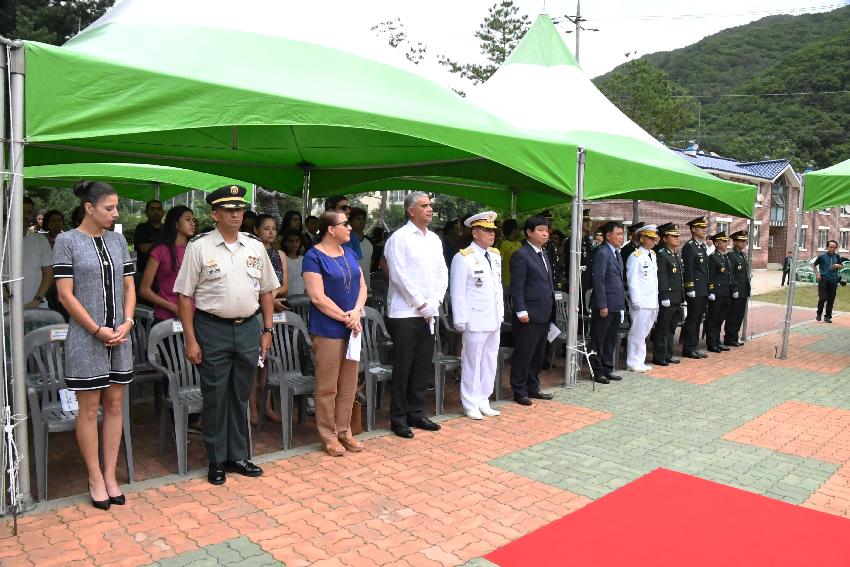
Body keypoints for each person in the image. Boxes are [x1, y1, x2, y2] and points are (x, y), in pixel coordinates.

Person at [173, 185, 279, 486]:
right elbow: (184, 298)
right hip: (212, 328)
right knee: (216, 395)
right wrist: (190, 339)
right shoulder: (199, 247)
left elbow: (267, 291)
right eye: (229, 209)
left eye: (240, 209)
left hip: (248, 327)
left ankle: (239, 455)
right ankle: (217, 459)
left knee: (241, 394)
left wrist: (267, 329)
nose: (236, 214)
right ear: (214, 214)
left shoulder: (255, 246)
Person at [53, 181, 136, 510]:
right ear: (89, 207)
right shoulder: (66, 241)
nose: (116, 213)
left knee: (115, 406)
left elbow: (130, 286)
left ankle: (111, 473)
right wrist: (96, 329)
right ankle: (94, 477)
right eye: (109, 208)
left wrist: (127, 322)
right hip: (87, 339)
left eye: (116, 207)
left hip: (122, 336)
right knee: (88, 410)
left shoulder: (118, 240)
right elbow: (64, 294)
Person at [302, 211, 367, 456]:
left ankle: (344, 431)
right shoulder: (313, 256)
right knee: (327, 386)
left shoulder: (349, 253)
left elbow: (362, 286)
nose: (350, 228)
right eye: (345, 224)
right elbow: (317, 297)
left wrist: (357, 312)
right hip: (328, 329)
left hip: (352, 328)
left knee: (348, 384)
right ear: (331, 229)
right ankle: (328, 435)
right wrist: (346, 317)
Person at [384, 191, 448, 439]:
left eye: (430, 205)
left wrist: (435, 302)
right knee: (404, 365)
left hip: (429, 311)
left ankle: (416, 411)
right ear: (411, 211)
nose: (430, 209)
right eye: (424, 205)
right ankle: (398, 418)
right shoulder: (399, 238)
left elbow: (442, 272)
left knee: (422, 364)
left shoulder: (434, 239)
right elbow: (399, 276)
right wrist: (421, 304)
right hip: (405, 312)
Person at [450, 212, 504, 420]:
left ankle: (484, 399)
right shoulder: (463, 258)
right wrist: (460, 319)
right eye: (487, 231)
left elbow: (497, 287)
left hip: (493, 316)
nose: (492, 235)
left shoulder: (495, 255)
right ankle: (470, 403)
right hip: (475, 318)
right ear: (475, 232)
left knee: (490, 361)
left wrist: (500, 313)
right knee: (472, 362)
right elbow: (458, 291)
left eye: (493, 231)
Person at [509, 215, 557, 404]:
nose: (545, 233)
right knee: (524, 353)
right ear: (529, 232)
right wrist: (520, 309)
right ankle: (519, 390)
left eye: (546, 230)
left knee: (538, 354)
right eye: (540, 230)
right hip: (528, 313)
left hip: (544, 312)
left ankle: (533, 386)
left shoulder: (544, 254)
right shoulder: (521, 254)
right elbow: (517, 286)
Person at [249, 214, 289, 424]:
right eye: (266, 228)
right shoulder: (251, 253)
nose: (271, 232)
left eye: (273, 228)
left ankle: (267, 405)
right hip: (253, 311)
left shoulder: (279, 254)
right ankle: (252, 406)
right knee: (255, 362)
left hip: (272, 311)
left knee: (269, 362)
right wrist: (267, 299)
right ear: (256, 230)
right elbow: (249, 285)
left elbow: (284, 286)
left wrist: (269, 299)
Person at [139, 206, 197, 324]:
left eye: (193, 220)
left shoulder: (195, 249)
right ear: (176, 224)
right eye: (187, 219)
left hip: (194, 316)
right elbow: (144, 290)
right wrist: (172, 307)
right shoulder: (161, 250)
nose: (192, 223)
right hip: (166, 319)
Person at [589, 221, 626, 384]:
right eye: (618, 234)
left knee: (611, 338)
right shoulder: (602, 252)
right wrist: (602, 304)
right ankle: (597, 371)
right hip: (605, 305)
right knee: (599, 338)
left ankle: (607, 368)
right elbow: (599, 281)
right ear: (608, 235)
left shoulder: (617, 253)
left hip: (616, 303)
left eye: (622, 234)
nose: (621, 237)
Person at [625, 225, 659, 373]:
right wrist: (636, 300)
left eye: (654, 238)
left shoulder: (653, 255)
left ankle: (640, 360)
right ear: (642, 238)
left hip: (651, 300)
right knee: (636, 332)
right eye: (650, 238)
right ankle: (632, 362)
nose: (653, 241)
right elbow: (632, 279)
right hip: (641, 301)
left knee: (644, 333)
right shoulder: (635, 256)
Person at [9, 197, 53, 311]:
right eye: (22, 211)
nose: (25, 216)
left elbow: (48, 274)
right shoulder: (2, 240)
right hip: (6, 308)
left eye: (28, 212)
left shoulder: (41, 240)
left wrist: (37, 300)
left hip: (38, 306)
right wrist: (8, 300)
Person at [652, 223, 684, 366]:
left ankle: (668, 354)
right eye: (674, 236)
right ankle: (659, 356)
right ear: (665, 238)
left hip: (676, 297)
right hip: (668, 298)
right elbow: (663, 277)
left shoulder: (674, 255)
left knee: (671, 328)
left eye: (678, 236)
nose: (677, 239)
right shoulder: (662, 255)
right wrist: (664, 296)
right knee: (663, 328)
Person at [681, 216, 710, 359]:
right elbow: (689, 269)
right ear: (693, 229)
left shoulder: (701, 246)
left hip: (702, 288)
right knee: (692, 319)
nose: (704, 230)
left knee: (698, 318)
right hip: (695, 289)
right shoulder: (689, 246)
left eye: (704, 228)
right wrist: (690, 287)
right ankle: (688, 348)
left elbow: (705, 269)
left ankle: (694, 346)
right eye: (701, 227)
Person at [705, 232, 737, 353]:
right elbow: (710, 276)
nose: (726, 243)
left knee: (720, 319)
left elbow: (730, 275)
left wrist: (733, 289)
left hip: (725, 293)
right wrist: (711, 290)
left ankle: (717, 342)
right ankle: (711, 343)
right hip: (717, 294)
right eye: (723, 241)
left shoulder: (725, 257)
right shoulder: (713, 257)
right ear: (717, 243)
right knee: (713, 319)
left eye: (726, 241)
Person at [724, 230, 751, 346]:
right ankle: (729, 338)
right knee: (733, 315)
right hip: (735, 291)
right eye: (740, 241)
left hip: (743, 290)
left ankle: (735, 336)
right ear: (734, 242)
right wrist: (734, 289)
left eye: (745, 241)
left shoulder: (743, 255)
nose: (743, 243)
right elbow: (731, 274)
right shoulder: (731, 255)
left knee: (739, 315)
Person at [813, 239, 848, 323]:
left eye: (834, 247)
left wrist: (837, 265)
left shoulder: (837, 256)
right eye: (831, 247)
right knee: (823, 298)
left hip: (834, 280)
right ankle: (819, 313)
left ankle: (827, 316)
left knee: (831, 299)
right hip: (823, 280)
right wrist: (817, 274)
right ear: (827, 247)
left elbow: (841, 266)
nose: (832, 249)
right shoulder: (821, 256)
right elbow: (814, 265)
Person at [324, 195, 362, 260]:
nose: (349, 211)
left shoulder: (352, 235)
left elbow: (357, 262)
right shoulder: (320, 237)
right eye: (344, 208)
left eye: (348, 207)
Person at [133, 199, 165, 277]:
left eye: (158, 209)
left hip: (164, 274)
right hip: (144, 273)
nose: (156, 211)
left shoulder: (167, 229)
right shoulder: (141, 228)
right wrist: (165, 244)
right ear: (146, 213)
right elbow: (143, 248)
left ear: (163, 212)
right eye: (152, 209)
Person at [348, 207, 373, 289]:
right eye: (358, 219)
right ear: (350, 222)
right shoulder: (342, 243)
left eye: (363, 219)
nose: (362, 222)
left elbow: (369, 266)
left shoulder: (369, 243)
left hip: (366, 290)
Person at [281, 228, 306, 297]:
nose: (294, 244)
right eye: (290, 241)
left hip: (302, 298)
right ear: (285, 243)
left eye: (297, 241)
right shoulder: (282, 259)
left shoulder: (304, 259)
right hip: (287, 298)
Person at [498, 219, 522, 287]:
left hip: (520, 281)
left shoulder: (519, 244)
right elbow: (499, 263)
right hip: (508, 283)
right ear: (513, 230)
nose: (520, 231)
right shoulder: (503, 245)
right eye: (518, 229)